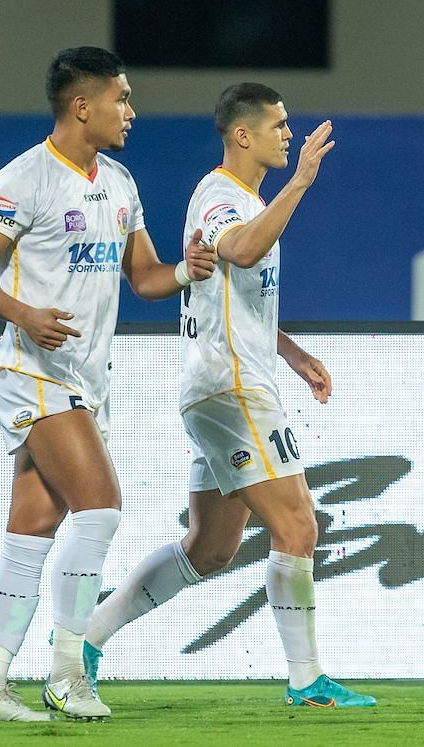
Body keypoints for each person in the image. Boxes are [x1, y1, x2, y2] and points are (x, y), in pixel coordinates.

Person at [83, 83, 374, 709]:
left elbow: (233, 297)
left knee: (210, 547)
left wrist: (292, 354)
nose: (288, 135)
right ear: (243, 134)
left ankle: (88, 635)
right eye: (279, 125)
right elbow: (238, 250)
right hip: (233, 389)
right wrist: (299, 184)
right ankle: (306, 682)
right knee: (297, 526)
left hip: (222, 387)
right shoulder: (220, 197)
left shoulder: (242, 199)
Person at [0, 46, 216, 722]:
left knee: (32, 530)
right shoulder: (26, 177)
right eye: (121, 98)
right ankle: (69, 670)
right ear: (81, 106)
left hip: (84, 380)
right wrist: (25, 314)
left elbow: (147, 278)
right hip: (32, 371)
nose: (131, 111)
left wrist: (187, 270)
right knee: (100, 507)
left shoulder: (121, 183)